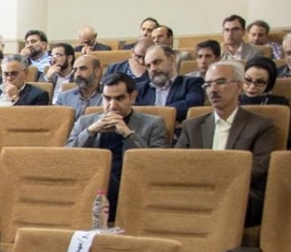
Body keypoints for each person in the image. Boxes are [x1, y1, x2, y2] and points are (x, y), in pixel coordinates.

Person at [177, 61, 277, 227]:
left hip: (240, 193)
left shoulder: (260, 125)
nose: (213, 89)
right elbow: (178, 163)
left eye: (220, 82)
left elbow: (260, 166)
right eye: (208, 85)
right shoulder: (192, 126)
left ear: (239, 86)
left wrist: (215, 179)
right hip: (198, 191)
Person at [67, 73, 169, 219]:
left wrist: (128, 134)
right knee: (100, 176)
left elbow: (157, 165)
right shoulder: (85, 122)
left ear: (132, 97)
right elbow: (67, 157)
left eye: (119, 99)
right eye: (107, 99)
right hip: (91, 187)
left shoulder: (154, 124)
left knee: (105, 177)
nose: (112, 105)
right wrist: (90, 132)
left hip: (132, 186)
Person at [0, 54, 50, 137]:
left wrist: (15, 98)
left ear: (26, 73)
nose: (9, 78)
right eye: (6, 74)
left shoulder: (38, 95)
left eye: (14, 74)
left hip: (13, 138)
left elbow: (31, 123)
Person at [136, 45, 205, 124]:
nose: (152, 69)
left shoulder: (191, 83)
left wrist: (154, 114)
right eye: (148, 66)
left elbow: (193, 103)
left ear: (172, 59)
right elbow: (132, 113)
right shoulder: (140, 89)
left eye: (157, 62)